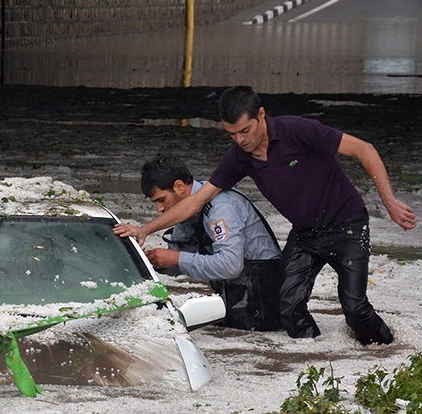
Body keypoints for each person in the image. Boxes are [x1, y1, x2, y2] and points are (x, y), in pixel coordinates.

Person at [115, 86, 417, 345]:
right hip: (305, 234)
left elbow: (364, 149)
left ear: (261, 115)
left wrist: (388, 201)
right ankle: (314, 356)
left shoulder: (298, 130)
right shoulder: (239, 156)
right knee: (287, 308)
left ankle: (385, 349)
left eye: (244, 131)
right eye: (231, 134)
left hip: (347, 224)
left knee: (354, 307)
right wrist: (146, 228)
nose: (240, 140)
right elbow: (194, 203)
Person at [138, 155, 284, 331]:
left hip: (261, 302)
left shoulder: (221, 207)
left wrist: (176, 258)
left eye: (161, 200)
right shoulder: (188, 212)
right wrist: (155, 262)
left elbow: (230, 266)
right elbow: (182, 254)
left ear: (179, 187)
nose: (159, 209)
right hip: (235, 298)